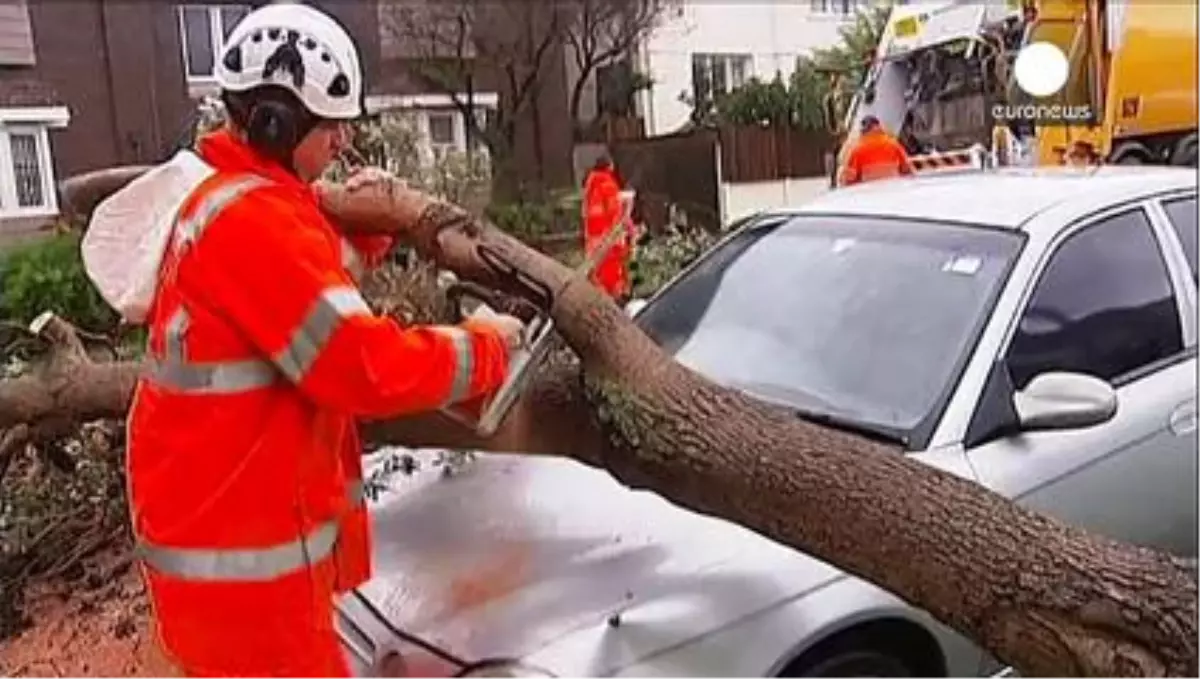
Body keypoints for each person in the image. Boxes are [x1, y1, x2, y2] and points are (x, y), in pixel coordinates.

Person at [103, 4, 523, 677]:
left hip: (221, 555)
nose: (344, 137)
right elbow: (362, 367)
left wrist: (366, 234)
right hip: (246, 581)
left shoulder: (232, 199)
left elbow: (288, 308)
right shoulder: (255, 223)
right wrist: (487, 349)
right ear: (276, 122)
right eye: (330, 122)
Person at [582, 153, 634, 302]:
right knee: (612, 270)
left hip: (593, 237)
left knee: (597, 269)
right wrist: (626, 225)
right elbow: (614, 213)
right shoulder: (608, 184)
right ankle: (615, 299)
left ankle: (600, 298)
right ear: (609, 166)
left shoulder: (590, 185)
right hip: (609, 237)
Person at [838, 115, 915, 187]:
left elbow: (849, 180)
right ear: (879, 127)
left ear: (863, 130)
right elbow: (908, 170)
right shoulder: (894, 145)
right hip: (893, 191)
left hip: (869, 195)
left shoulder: (857, 150)